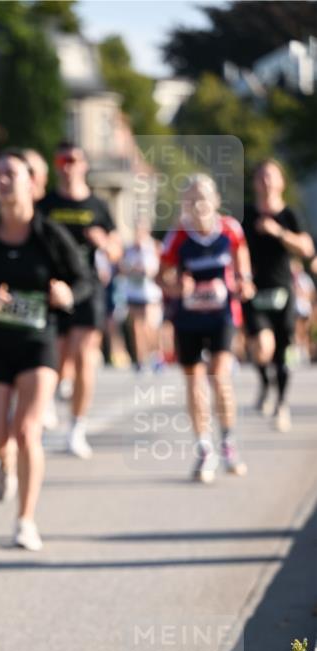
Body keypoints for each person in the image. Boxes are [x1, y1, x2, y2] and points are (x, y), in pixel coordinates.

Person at [0, 149, 93, 551]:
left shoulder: (49, 235)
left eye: (11, 173)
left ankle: (26, 520)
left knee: (28, 430)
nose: (3, 180)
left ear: (31, 182)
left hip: (37, 344)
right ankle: (4, 460)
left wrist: (67, 293)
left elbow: (84, 281)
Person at [161, 174, 254, 483]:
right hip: (188, 317)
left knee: (219, 374)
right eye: (191, 199)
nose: (199, 204)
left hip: (222, 315)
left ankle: (227, 442)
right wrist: (177, 284)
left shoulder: (230, 229)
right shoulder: (177, 236)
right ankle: (204, 448)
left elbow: (243, 264)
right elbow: (163, 276)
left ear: (216, 201)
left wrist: (245, 283)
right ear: (184, 205)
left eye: (204, 198)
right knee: (194, 382)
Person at [39, 141, 120, 458]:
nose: (69, 165)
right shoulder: (46, 205)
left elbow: (116, 252)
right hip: (54, 288)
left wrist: (103, 243)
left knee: (86, 354)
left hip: (88, 288)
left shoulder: (98, 207)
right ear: (57, 165)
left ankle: (77, 427)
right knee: (59, 355)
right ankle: (48, 399)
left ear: (84, 165)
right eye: (63, 160)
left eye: (74, 160)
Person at [242, 160, 314, 432]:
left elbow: (306, 247)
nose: (266, 182)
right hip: (253, 290)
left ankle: (281, 404)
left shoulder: (289, 215)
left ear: (281, 182)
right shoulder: (247, 215)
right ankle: (264, 382)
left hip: (283, 290)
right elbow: (235, 245)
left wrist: (279, 232)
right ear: (255, 183)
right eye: (261, 177)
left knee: (282, 351)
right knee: (261, 348)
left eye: (271, 177)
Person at [120, 222, 163, 370]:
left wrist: (142, 270)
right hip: (133, 293)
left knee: (149, 327)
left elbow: (155, 270)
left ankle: (155, 354)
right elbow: (122, 268)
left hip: (150, 293)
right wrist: (131, 269)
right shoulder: (129, 250)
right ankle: (139, 359)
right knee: (137, 327)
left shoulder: (154, 247)